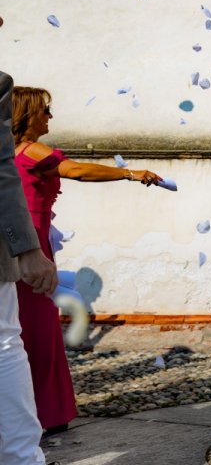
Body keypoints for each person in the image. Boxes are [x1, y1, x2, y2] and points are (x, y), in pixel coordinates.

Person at [11, 85, 162, 434]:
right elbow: (76, 170)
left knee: (24, 330)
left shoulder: (12, 152)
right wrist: (129, 173)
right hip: (30, 249)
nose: (50, 116)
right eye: (45, 110)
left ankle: (32, 413)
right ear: (27, 115)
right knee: (37, 332)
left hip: (26, 243)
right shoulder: (31, 151)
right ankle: (43, 414)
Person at [0, 72, 56, 464]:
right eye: (46, 111)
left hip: (24, 236)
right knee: (6, 344)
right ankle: (22, 458)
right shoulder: (35, 153)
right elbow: (3, 173)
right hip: (21, 238)